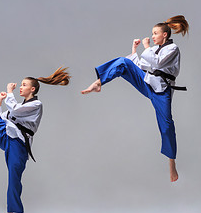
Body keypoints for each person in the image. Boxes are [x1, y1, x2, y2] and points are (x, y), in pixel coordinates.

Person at [0, 53, 70, 213]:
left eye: (24, 85)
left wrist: (9, 92)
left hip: (18, 145)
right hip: (6, 136)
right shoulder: (21, 106)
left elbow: (12, 110)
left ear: (33, 89)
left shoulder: (36, 105)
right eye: (20, 85)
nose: (20, 87)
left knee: (14, 177)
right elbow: (2, 116)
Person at [81, 15, 189, 182]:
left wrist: (146, 47)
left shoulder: (172, 49)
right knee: (123, 63)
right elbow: (142, 66)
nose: (152, 36)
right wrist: (134, 51)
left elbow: (158, 63)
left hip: (162, 91)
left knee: (166, 126)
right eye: (152, 34)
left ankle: (171, 163)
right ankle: (99, 82)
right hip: (147, 82)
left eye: (155, 33)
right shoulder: (153, 49)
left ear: (165, 35)